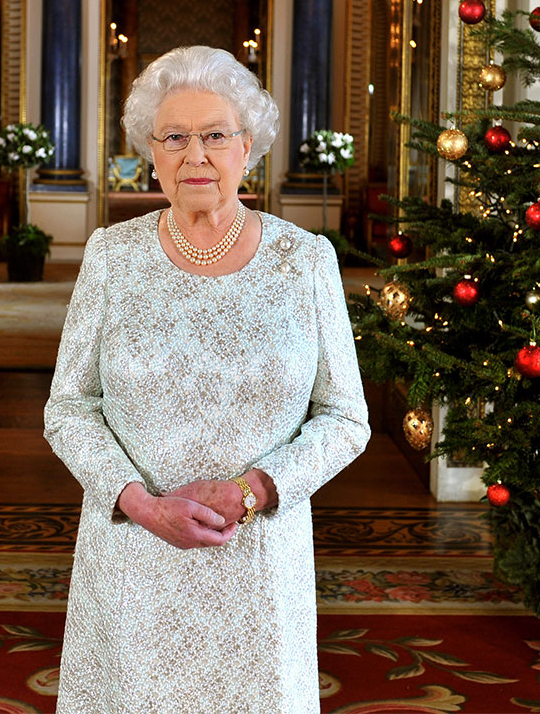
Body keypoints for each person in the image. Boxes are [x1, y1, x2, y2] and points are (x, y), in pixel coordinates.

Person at [44, 45, 370, 714]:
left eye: (215, 135)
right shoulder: (111, 255)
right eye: (174, 137)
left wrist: (253, 490)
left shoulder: (304, 260)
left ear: (246, 148)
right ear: (150, 152)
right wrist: (140, 502)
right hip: (134, 555)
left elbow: (345, 418)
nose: (196, 156)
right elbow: (68, 409)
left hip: (257, 561)